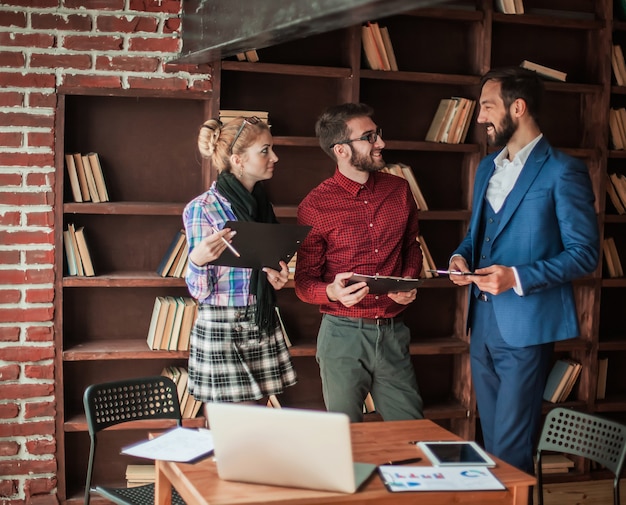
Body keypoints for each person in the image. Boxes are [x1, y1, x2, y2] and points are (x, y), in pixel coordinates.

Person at [448, 67, 599, 474]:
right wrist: (459, 259)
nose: (480, 118)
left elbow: (585, 254)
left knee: (511, 448)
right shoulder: (486, 169)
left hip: (527, 326)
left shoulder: (562, 171)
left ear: (518, 107)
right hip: (481, 325)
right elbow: (476, 238)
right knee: (493, 442)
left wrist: (515, 277)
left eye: (487, 107)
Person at [295, 102, 424, 423]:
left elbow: (412, 246)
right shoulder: (315, 206)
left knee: (412, 433)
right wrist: (332, 293)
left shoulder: (399, 190)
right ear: (341, 150)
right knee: (344, 437)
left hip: (394, 332)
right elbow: (304, 282)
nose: (380, 143)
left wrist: (408, 282)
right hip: (342, 336)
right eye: (369, 137)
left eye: (378, 134)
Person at [183, 116, 297, 419]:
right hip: (222, 324)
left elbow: (268, 268)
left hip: (259, 319)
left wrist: (278, 277)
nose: (274, 157)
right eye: (265, 150)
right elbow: (198, 291)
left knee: (252, 422)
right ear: (238, 160)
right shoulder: (202, 208)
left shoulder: (262, 206)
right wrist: (197, 260)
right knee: (235, 427)